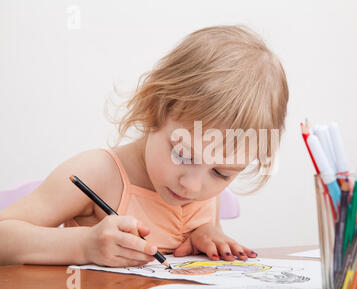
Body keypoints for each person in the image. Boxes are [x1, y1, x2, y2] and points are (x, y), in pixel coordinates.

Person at [0, 25, 288, 267]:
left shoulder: (200, 188)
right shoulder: (96, 174)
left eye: (221, 173)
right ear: (154, 110)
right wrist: (84, 245)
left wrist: (206, 234)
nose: (192, 186)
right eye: (183, 155)